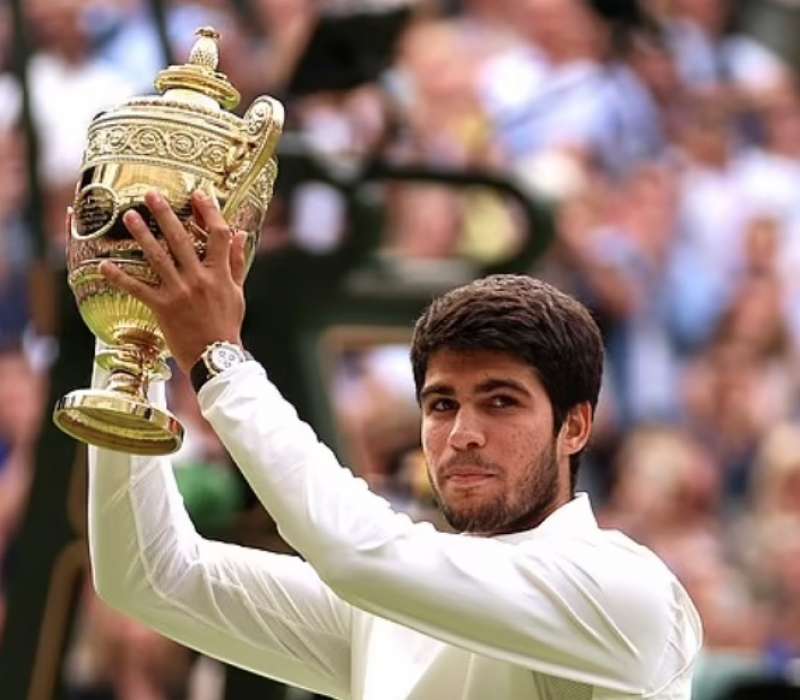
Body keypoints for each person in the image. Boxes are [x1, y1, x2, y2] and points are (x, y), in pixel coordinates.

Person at [89, 190, 702, 699]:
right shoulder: (386, 604)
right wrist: (127, 339)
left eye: (501, 401)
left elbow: (359, 553)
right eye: (442, 405)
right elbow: (149, 574)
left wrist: (218, 359)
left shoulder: (624, 589)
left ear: (575, 426)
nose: (462, 434)